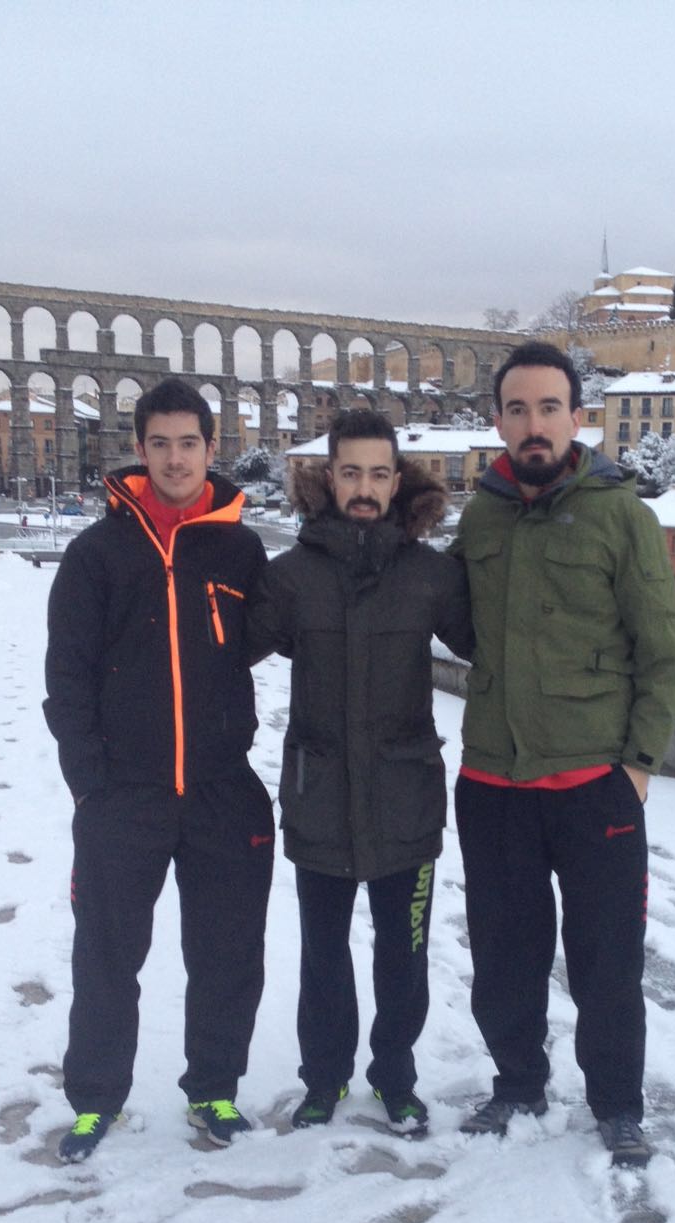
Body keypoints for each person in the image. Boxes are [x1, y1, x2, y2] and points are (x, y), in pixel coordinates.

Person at [451, 341, 675, 1167]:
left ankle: (618, 1104)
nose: (534, 424)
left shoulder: (623, 517)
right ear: (498, 422)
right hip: (494, 781)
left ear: (577, 418)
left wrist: (640, 767)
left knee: (607, 962)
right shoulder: (479, 518)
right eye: (518, 409)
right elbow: (456, 623)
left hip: (595, 786)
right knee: (504, 956)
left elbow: (664, 651)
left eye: (549, 407)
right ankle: (517, 1083)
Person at [44, 377, 274, 1161]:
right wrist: (89, 781)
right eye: (161, 444)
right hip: (125, 795)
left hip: (220, 790)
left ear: (212, 449)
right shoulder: (97, 553)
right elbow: (67, 674)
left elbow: (280, 635)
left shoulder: (240, 549)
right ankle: (95, 1098)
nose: (176, 459)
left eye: (189, 443)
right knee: (107, 956)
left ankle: (213, 1088)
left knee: (227, 955)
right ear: (140, 451)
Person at [248, 409, 471, 1137]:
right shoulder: (291, 577)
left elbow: (497, 644)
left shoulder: (432, 575)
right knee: (323, 955)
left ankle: (395, 1077)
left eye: (379, 473)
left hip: (406, 800)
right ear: (329, 477)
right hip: (319, 797)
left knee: (403, 956)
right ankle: (324, 1078)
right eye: (352, 473)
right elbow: (223, 652)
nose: (365, 488)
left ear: (398, 480)